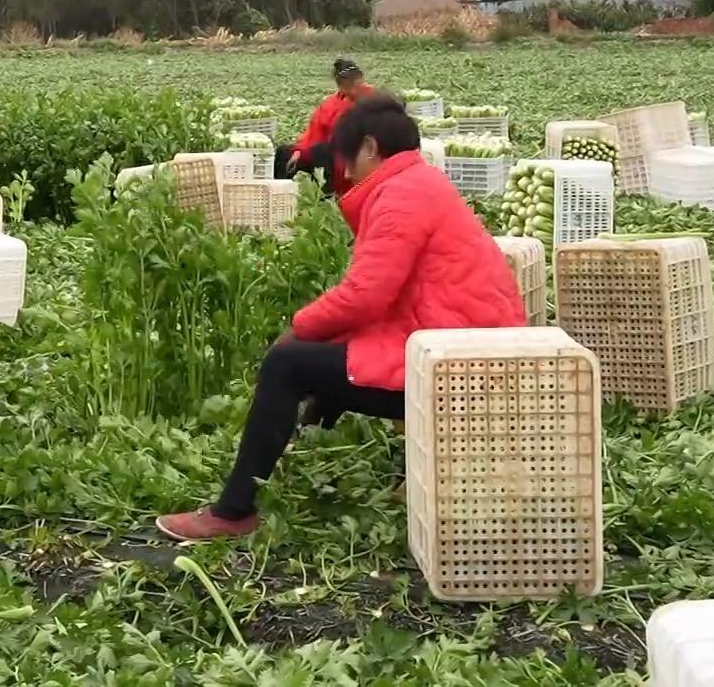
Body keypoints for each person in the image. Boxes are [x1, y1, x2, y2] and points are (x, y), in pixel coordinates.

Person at [157, 97, 526, 542]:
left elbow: (365, 297)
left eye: (346, 159)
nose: (345, 173)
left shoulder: (401, 197)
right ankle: (298, 458)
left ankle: (233, 511)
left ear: (369, 147)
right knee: (327, 353)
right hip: (461, 345)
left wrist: (296, 328)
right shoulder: (419, 182)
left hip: (455, 366)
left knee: (287, 363)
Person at [279, 58, 375, 194]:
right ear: (341, 87)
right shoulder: (330, 104)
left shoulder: (376, 100)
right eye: (348, 87)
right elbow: (315, 133)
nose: (353, 90)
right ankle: (281, 196)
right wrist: (300, 151)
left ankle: (328, 198)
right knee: (284, 153)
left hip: (360, 154)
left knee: (321, 152)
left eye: (356, 85)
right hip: (330, 152)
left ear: (361, 79)